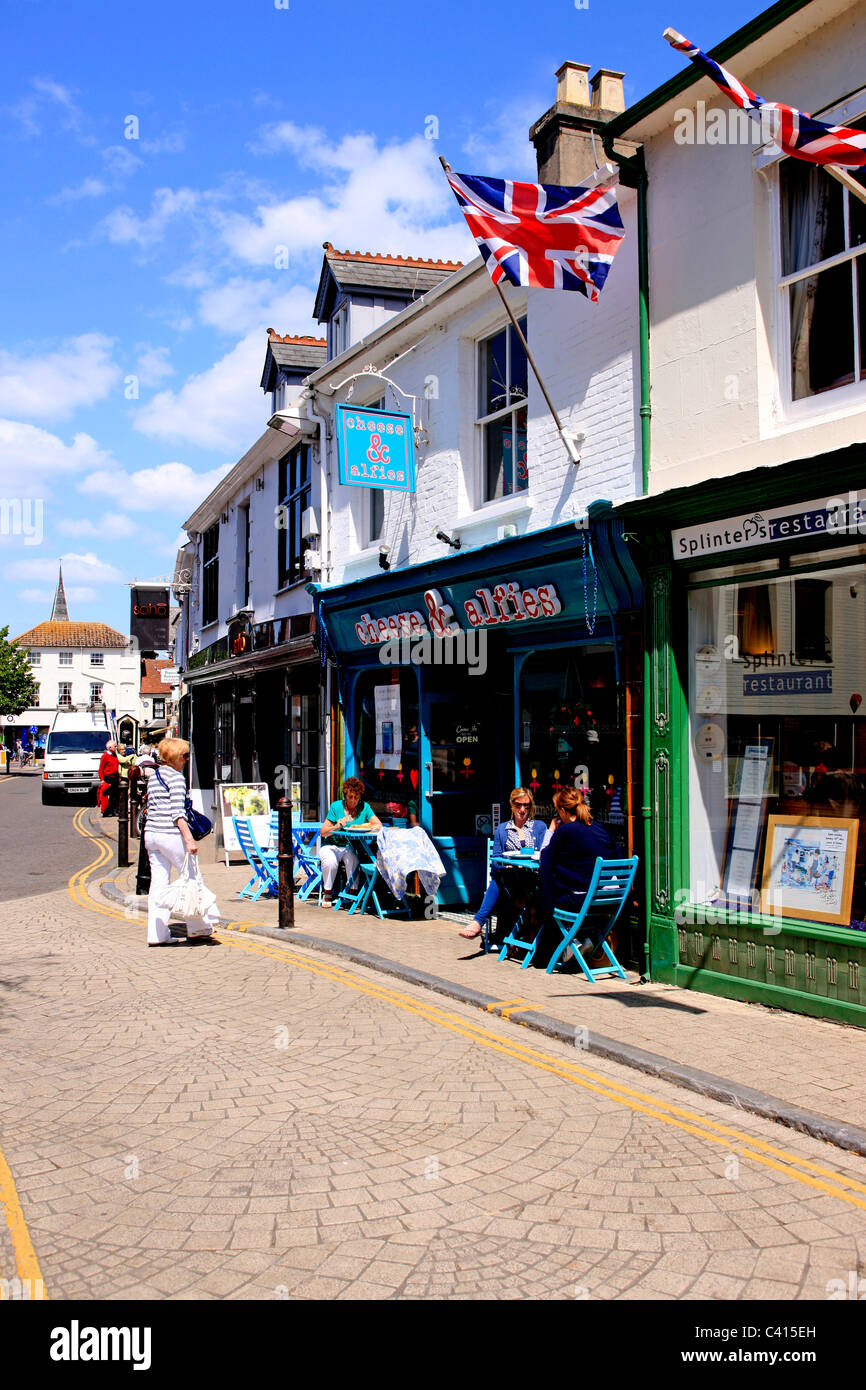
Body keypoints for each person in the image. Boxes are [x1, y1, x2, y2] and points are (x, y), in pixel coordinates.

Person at [145, 737, 218, 947]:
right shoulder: (177, 778)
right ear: (176, 757)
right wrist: (189, 840)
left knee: (158, 885)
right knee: (192, 879)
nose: (186, 760)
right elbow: (178, 813)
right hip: (170, 835)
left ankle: (157, 935)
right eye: (184, 756)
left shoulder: (154, 776)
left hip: (151, 835)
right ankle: (198, 928)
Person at [538, 786, 621, 960]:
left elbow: (544, 856)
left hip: (583, 901)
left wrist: (551, 829)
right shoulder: (600, 828)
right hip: (609, 899)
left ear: (562, 810)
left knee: (546, 896)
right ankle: (580, 940)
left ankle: (571, 942)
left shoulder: (565, 831)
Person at [459, 788, 546, 940]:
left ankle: (478, 921)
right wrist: (509, 865)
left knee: (499, 880)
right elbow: (496, 860)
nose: (522, 810)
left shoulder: (538, 827)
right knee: (499, 877)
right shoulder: (503, 829)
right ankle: (478, 922)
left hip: (533, 880)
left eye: (526, 806)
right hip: (511, 878)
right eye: (518, 805)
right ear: (512, 805)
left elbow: (544, 854)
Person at [319, 777, 382, 907]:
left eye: (356, 797)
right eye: (350, 797)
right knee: (330, 861)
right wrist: (337, 826)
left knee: (353, 859)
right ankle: (327, 892)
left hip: (350, 846)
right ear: (345, 795)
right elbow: (323, 832)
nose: (353, 800)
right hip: (331, 844)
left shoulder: (364, 807)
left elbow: (379, 825)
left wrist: (368, 827)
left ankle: (353, 894)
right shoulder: (336, 806)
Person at [98, 740, 120, 816]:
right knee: (109, 796)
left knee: (116, 795)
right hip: (108, 778)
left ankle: (115, 811)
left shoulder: (115, 754)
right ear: (110, 747)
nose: (116, 747)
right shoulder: (105, 756)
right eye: (115, 746)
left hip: (115, 777)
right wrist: (102, 780)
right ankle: (107, 811)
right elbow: (101, 769)